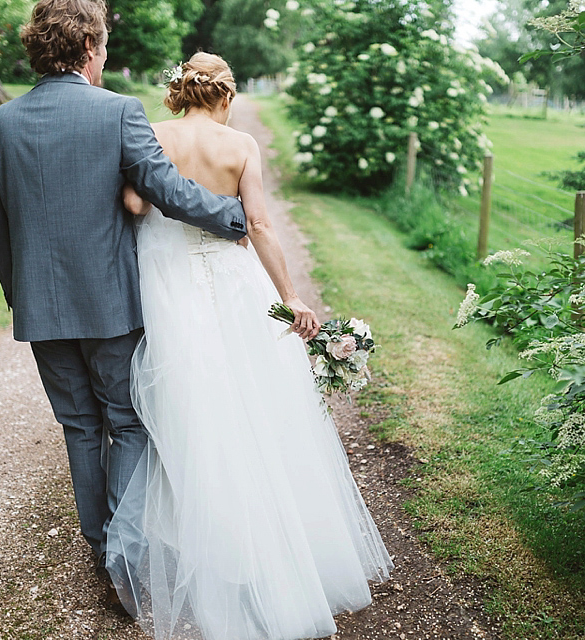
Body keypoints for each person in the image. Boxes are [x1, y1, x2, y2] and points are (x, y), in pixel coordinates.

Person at [104, 52, 393, 639]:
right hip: (232, 282)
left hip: (167, 281)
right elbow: (258, 226)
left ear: (180, 92)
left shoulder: (151, 135)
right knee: (255, 400)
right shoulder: (240, 147)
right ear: (226, 97)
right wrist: (291, 297)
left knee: (188, 404)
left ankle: (202, 538)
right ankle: (271, 547)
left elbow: (134, 205)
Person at [0, 0, 246, 611]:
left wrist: (26, 298)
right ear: (91, 49)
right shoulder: (119, 111)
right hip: (113, 309)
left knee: (79, 429)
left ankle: (103, 552)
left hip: (41, 310)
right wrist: (232, 215)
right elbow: (167, 190)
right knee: (126, 425)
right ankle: (123, 563)